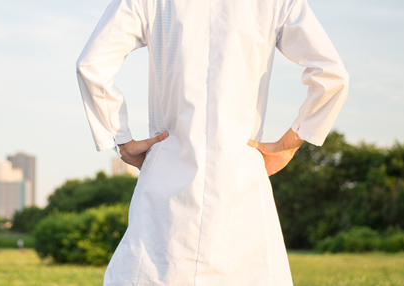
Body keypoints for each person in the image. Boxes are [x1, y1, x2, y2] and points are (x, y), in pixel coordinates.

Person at [76, 0, 348, 284]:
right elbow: (332, 75)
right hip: (241, 176)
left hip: (167, 173)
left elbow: (91, 65)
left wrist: (120, 138)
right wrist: (289, 143)